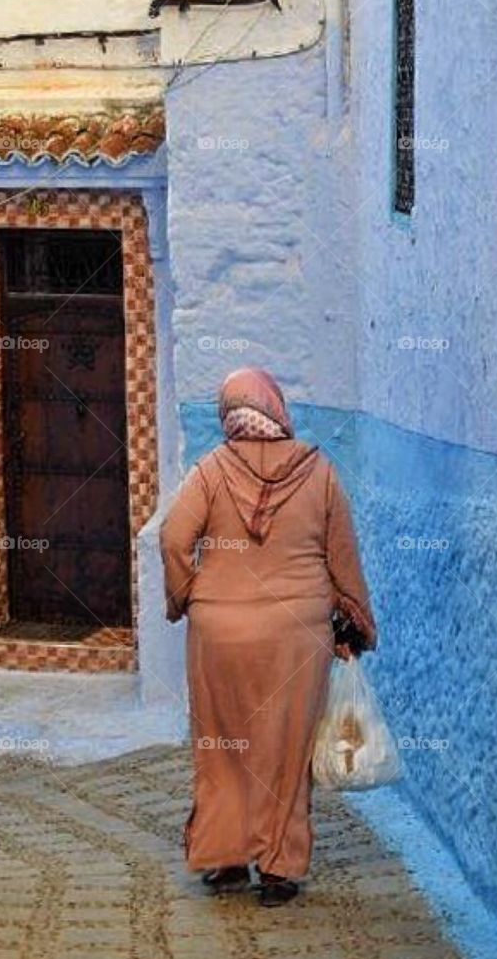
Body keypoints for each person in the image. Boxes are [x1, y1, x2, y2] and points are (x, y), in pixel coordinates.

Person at [160, 367, 377, 908]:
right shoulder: (320, 473)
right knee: (284, 751)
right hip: (296, 636)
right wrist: (355, 623)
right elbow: (343, 559)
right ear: (277, 412)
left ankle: (226, 858)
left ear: (230, 417)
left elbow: (172, 537)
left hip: (220, 634)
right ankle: (279, 869)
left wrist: (188, 596)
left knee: (223, 747)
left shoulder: (210, 470)